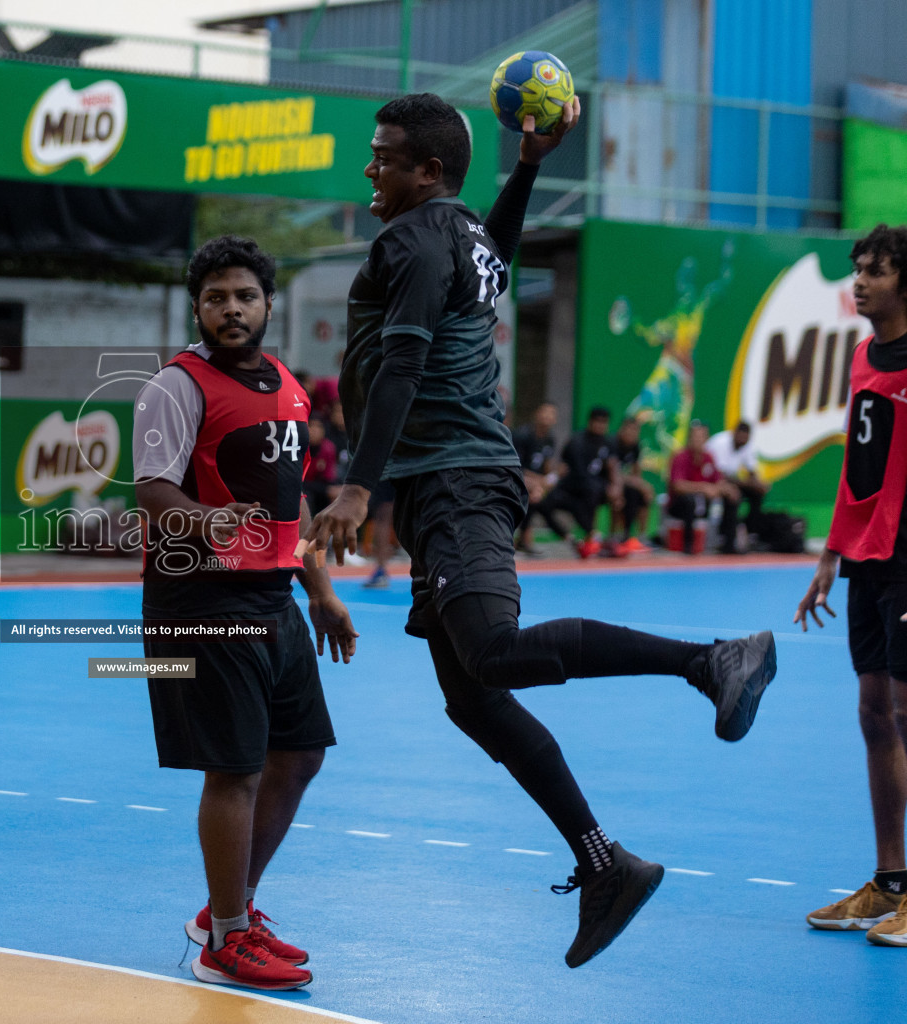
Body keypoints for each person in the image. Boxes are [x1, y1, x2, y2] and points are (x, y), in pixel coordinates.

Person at [305, 93, 777, 968]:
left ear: (429, 172)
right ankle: (606, 867)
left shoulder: (408, 240)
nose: (370, 169)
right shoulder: (466, 238)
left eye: (384, 157)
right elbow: (495, 254)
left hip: (455, 479)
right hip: (451, 478)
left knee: (491, 651)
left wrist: (355, 487)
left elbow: (404, 361)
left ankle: (711, 660)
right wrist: (527, 168)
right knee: (472, 697)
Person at [134, 235, 357, 991]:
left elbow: (289, 506)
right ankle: (224, 939)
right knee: (234, 770)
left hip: (275, 597)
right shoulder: (176, 386)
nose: (232, 308)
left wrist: (321, 590)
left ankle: (229, 908)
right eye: (216, 297)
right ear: (196, 307)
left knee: (299, 756)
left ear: (268, 303)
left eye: (245, 295)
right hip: (201, 598)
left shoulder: (288, 387)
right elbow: (154, 494)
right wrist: (209, 524)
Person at [795, 224, 907, 948]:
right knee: (873, 711)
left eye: (876, 271)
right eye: (858, 270)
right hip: (866, 558)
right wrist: (830, 554)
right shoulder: (865, 354)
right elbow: (857, 462)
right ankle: (890, 882)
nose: (860, 281)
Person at [536, 405, 617, 558]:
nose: (600, 425)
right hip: (570, 488)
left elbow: (612, 466)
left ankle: (601, 539)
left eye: (604, 422)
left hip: (592, 491)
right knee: (543, 504)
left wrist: (614, 486)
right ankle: (574, 538)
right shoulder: (577, 442)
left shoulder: (608, 442)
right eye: (597, 421)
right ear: (590, 422)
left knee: (609, 493)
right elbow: (576, 473)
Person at [666, 422, 740, 555]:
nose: (698, 440)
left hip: (703, 504)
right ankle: (689, 546)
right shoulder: (680, 457)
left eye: (701, 437)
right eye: (695, 437)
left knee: (732, 496)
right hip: (680, 506)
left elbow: (718, 481)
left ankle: (728, 546)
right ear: (689, 438)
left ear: (706, 439)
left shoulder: (708, 458)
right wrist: (703, 488)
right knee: (690, 500)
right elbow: (677, 486)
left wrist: (726, 489)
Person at [707, 421, 768, 551]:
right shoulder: (720, 443)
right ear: (734, 433)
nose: (742, 442)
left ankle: (751, 535)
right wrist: (748, 484)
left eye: (745, 439)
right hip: (711, 480)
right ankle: (727, 541)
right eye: (740, 438)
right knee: (733, 495)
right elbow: (720, 475)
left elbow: (752, 472)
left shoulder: (746, 445)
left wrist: (759, 484)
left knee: (757, 493)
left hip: (731, 481)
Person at [511, 402, 559, 555]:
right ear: (536, 414)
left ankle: (522, 540)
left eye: (551, 414)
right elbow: (516, 466)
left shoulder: (550, 439)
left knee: (541, 496)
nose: (547, 417)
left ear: (555, 420)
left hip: (535, 483)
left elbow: (547, 467)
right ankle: (567, 536)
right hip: (515, 477)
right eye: (544, 412)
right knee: (534, 495)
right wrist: (538, 482)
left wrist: (550, 479)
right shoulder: (522, 435)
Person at [609, 417, 654, 553]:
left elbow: (636, 472)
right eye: (630, 430)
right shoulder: (613, 444)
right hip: (608, 482)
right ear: (622, 430)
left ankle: (640, 537)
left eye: (636, 431)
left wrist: (641, 486)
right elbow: (613, 474)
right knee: (620, 494)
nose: (633, 434)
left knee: (641, 495)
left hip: (626, 483)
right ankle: (614, 537)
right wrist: (638, 484)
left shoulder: (635, 447)